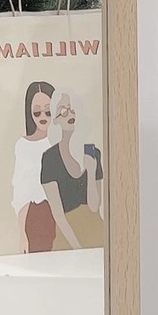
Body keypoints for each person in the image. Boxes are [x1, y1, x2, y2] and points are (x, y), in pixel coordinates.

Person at [41, 90, 105, 250]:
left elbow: (94, 206)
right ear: (55, 119)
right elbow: (58, 216)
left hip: (95, 232)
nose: (69, 114)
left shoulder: (93, 153)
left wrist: (91, 172)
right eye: (63, 111)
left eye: (72, 108)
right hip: (67, 237)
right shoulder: (50, 158)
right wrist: (78, 248)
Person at [12, 81, 55, 252]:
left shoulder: (62, 142)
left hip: (66, 213)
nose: (43, 116)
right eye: (37, 112)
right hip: (38, 215)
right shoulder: (24, 145)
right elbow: (22, 192)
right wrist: (22, 234)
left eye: (48, 111)